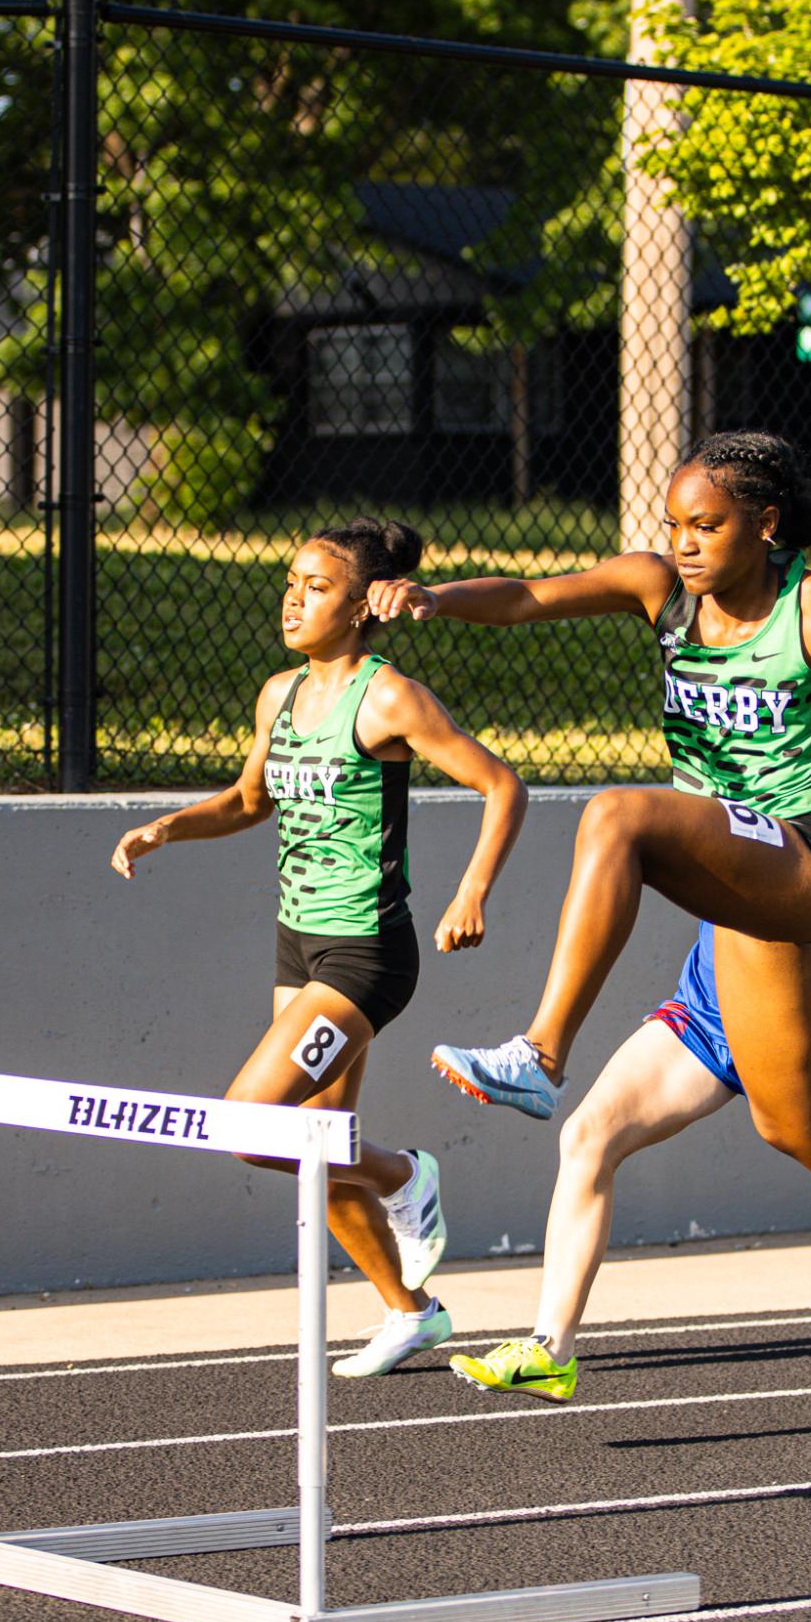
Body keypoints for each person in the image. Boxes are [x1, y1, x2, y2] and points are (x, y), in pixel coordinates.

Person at [368, 430, 811, 1390]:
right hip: (738, 864)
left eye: (706, 525)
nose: (683, 542)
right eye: (672, 524)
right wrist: (436, 597)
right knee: (794, 1122)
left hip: (808, 859)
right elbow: (528, 598)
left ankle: (541, 1053)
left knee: (619, 814)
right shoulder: (659, 591)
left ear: (763, 523)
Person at [449, 658, 811, 1401]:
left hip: (797, 1012)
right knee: (588, 1136)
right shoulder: (736, 741)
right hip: (707, 1003)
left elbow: (797, 841)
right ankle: (551, 1346)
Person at [110, 517, 527, 1377]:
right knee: (313, 1143)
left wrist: (472, 888)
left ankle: (406, 1174)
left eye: (317, 586)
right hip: (297, 942)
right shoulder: (279, 694)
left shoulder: (389, 698)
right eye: (290, 581)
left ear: (364, 606)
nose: (294, 598)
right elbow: (247, 799)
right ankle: (409, 1312)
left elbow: (501, 784)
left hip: (367, 952)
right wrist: (166, 828)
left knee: (252, 1125)